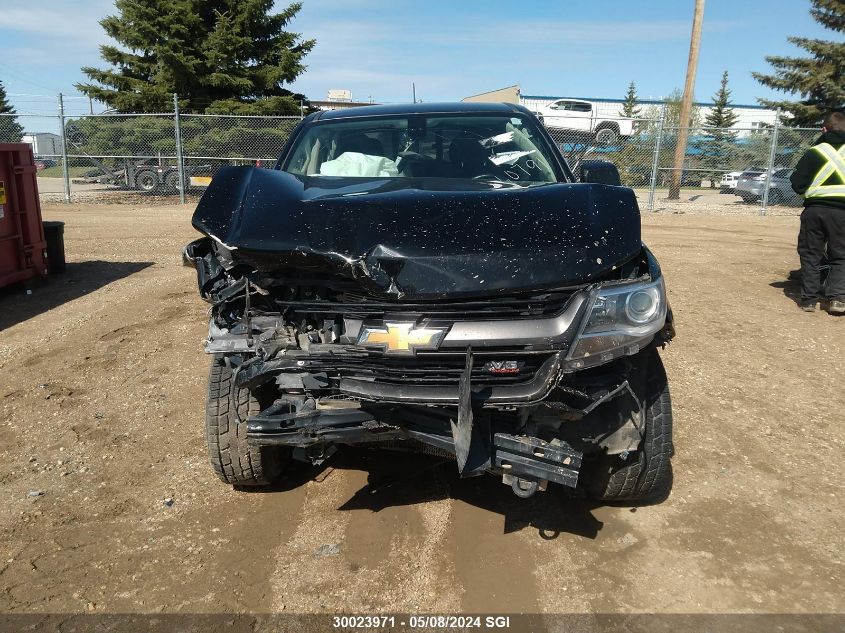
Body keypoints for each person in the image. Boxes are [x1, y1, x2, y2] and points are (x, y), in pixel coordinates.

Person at [790, 111, 845, 314]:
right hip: (843, 214)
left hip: (815, 210)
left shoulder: (815, 152)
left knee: (811, 253)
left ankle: (809, 300)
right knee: (841, 255)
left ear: (824, 129)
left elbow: (797, 184)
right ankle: (838, 299)